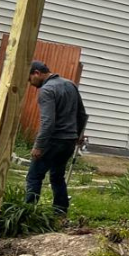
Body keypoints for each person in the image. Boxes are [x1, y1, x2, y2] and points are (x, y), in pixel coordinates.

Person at [26, 61, 88, 216]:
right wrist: (78, 135)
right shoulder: (70, 85)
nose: (30, 83)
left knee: (34, 176)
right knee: (57, 176)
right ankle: (60, 212)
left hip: (53, 141)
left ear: (36, 73)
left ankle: (27, 212)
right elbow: (81, 113)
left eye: (29, 79)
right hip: (68, 141)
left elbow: (48, 122)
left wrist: (39, 146)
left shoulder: (47, 90)